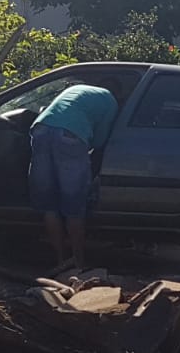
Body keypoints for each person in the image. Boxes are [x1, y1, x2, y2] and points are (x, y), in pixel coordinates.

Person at [29, 82, 118, 271]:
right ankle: (78, 262)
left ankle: (61, 260)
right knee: (74, 205)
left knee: (49, 205)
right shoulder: (111, 102)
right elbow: (100, 139)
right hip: (71, 135)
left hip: (41, 128)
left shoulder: (76, 89)